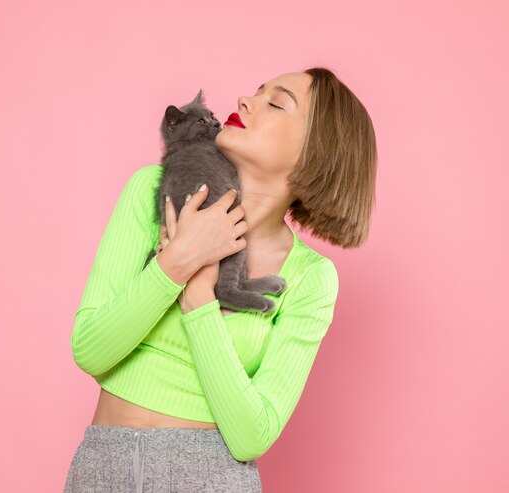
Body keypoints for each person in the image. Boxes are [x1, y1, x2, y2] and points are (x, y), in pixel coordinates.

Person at [63, 67, 377, 492]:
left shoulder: (311, 278)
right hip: (103, 468)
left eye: (276, 102)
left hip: (210, 478)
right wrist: (176, 262)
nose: (245, 101)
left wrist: (199, 296)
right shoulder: (151, 190)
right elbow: (90, 349)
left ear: (315, 152)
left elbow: (252, 435)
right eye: (255, 91)